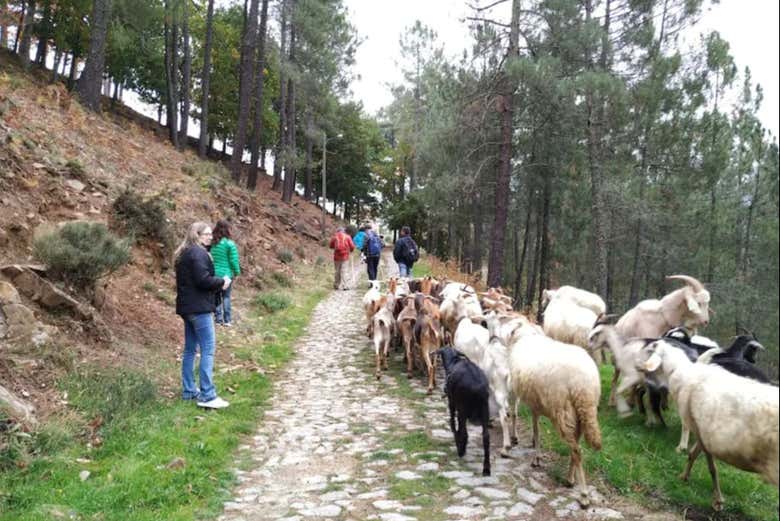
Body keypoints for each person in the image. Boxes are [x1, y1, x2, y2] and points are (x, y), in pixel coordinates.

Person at [174, 222, 231, 409]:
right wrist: (222, 282)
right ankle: (208, 394)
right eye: (206, 234)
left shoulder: (184, 253)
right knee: (208, 349)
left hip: (187, 308)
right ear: (196, 235)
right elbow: (202, 280)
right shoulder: (198, 253)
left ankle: (189, 390)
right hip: (199, 309)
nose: (210, 237)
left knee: (190, 350)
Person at [210, 219, 241, 327]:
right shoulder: (229, 244)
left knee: (216, 296)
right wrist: (237, 272)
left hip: (214, 274)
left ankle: (218, 319)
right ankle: (227, 320)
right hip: (227, 274)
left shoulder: (212, 243)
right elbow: (233, 260)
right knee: (226, 297)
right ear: (227, 229)